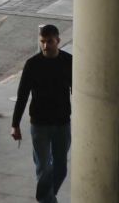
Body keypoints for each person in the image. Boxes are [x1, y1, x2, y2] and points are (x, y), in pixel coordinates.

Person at [10, 23, 74, 203]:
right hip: (39, 125)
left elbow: (79, 88)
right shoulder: (32, 65)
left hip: (62, 123)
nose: (45, 46)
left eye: (50, 42)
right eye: (42, 42)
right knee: (43, 168)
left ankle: (44, 197)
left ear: (58, 41)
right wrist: (15, 124)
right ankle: (48, 200)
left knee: (60, 169)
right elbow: (22, 95)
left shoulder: (68, 62)